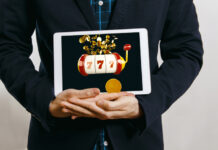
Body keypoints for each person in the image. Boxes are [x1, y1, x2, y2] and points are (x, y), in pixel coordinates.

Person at [0, 0, 204, 150]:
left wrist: (145, 103)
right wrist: (47, 101)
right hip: (59, 139)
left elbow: (186, 50)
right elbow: (7, 46)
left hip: (136, 139)